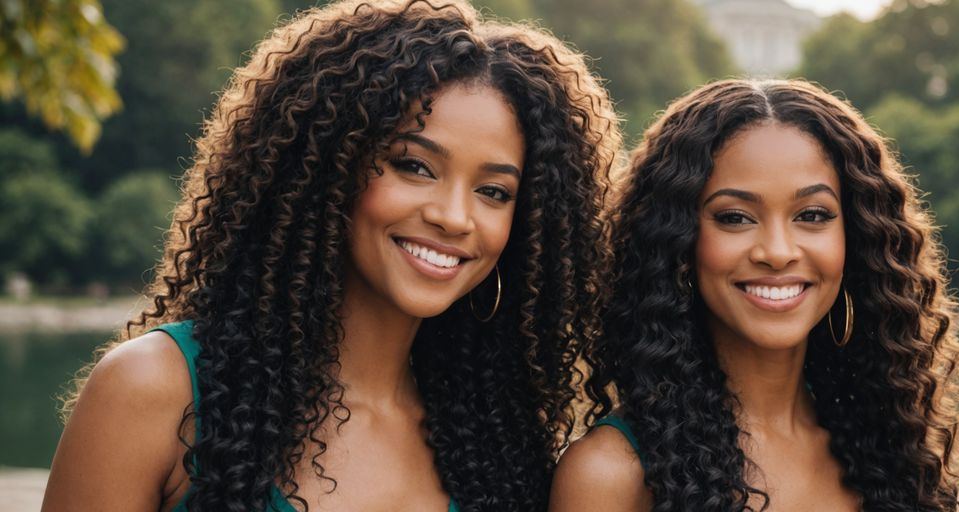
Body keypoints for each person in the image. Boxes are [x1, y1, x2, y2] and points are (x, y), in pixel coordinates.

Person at [43, 1, 620, 510]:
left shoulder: (501, 445)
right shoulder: (154, 390)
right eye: (413, 166)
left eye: (494, 192)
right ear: (322, 169)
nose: (453, 216)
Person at [551, 79, 959, 511]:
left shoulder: (895, 447)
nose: (777, 252)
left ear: (857, 238)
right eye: (735, 217)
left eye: (812, 215)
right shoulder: (610, 476)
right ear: (678, 241)